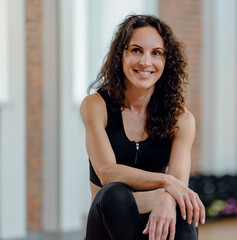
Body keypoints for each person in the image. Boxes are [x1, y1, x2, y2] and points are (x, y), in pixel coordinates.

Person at [80, 14, 205, 240]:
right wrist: (166, 184)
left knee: (183, 212)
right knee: (115, 193)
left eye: (156, 53)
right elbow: (108, 174)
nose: (145, 62)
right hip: (107, 226)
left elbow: (180, 186)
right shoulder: (96, 106)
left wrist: (168, 197)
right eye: (136, 50)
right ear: (121, 55)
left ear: (167, 62)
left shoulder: (181, 120)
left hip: (156, 222)